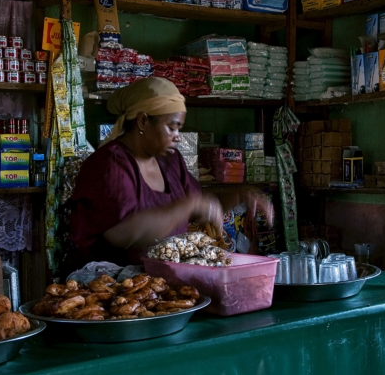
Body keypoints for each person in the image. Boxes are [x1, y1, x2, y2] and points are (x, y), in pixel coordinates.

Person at [62, 77, 273, 272]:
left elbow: (200, 209)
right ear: (143, 121)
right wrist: (189, 205)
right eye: (172, 128)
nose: (178, 137)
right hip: (112, 285)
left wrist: (239, 197)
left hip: (161, 281)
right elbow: (121, 233)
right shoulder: (109, 165)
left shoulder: (170, 161)